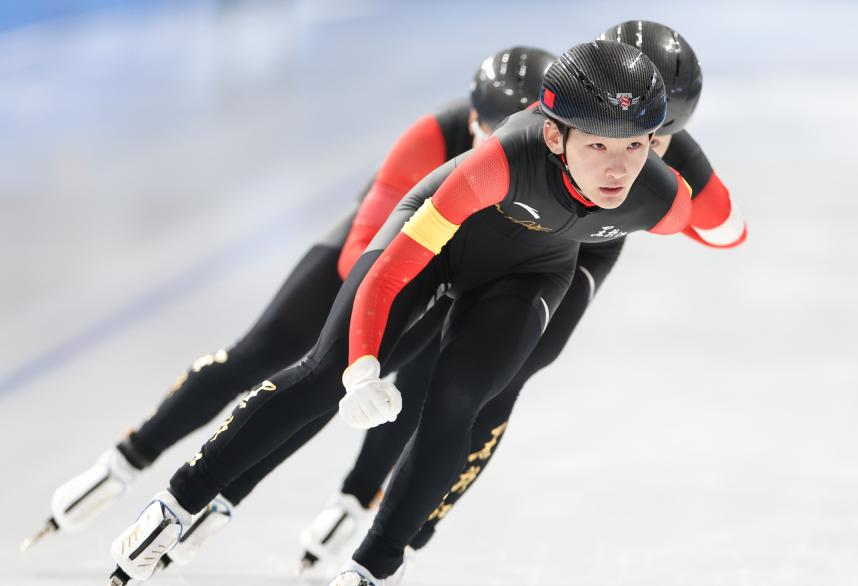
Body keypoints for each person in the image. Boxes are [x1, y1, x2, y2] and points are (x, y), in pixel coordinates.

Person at [22, 46, 556, 555]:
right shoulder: (433, 136)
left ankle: (345, 495)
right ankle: (131, 453)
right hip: (378, 256)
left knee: (381, 381)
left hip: (453, 273)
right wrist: (373, 318)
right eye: (494, 140)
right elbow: (360, 255)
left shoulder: (554, 166)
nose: (505, 158)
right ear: (472, 123)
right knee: (266, 353)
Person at [295, 19, 745, 573]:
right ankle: (360, 491)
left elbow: (726, 229)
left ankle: (409, 526)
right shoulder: (572, 118)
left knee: (497, 380)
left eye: (652, 138)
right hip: (518, 226)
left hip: (582, 249)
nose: (637, 150)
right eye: (612, 132)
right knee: (436, 356)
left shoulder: (665, 158)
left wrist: (682, 183)